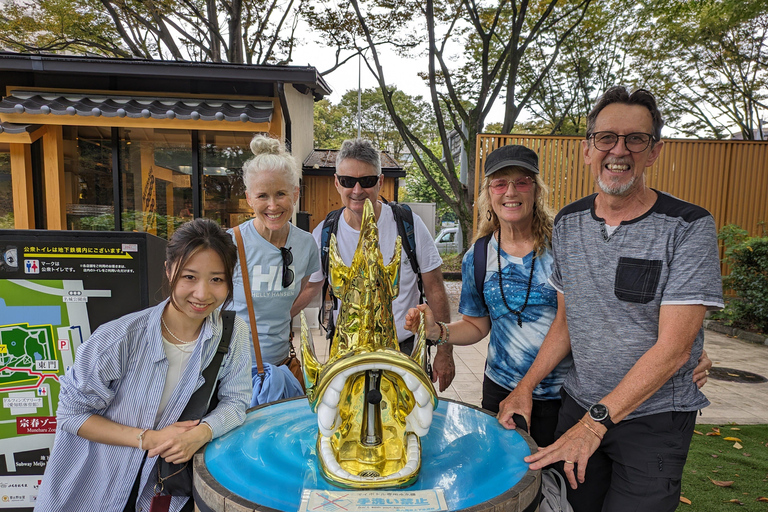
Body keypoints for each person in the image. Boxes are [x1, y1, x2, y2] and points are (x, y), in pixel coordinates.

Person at [499, 87, 724, 512]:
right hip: (579, 403)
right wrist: (524, 387)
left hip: (654, 419)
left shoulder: (688, 225)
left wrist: (595, 423)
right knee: (569, 507)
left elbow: (675, 349)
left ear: (654, 151)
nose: (619, 150)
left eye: (635, 139)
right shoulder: (568, 221)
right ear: (588, 149)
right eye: (606, 138)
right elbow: (567, 323)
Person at [35, 218, 252, 512]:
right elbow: (71, 414)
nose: (202, 294)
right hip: (98, 483)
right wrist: (149, 439)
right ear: (169, 269)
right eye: (189, 277)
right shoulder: (119, 338)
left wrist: (202, 432)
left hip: (164, 491)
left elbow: (236, 401)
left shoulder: (232, 331)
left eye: (217, 279)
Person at [405, 144, 569, 447]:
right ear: (488, 195)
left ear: (536, 191)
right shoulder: (478, 255)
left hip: (560, 395)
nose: (511, 192)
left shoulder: (563, 246)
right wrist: (437, 331)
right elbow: (477, 325)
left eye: (522, 182)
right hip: (500, 390)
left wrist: (528, 387)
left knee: (558, 485)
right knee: (507, 479)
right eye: (499, 183)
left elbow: (570, 323)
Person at [293, 138, 456, 391]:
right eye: (348, 181)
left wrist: (445, 353)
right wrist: (276, 318)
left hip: (402, 350)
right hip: (348, 353)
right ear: (337, 182)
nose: (357, 190)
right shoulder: (326, 232)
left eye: (367, 181)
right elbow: (311, 289)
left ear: (380, 181)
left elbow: (435, 288)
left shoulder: (408, 224)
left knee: (406, 426)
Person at [228, 135, 319, 397]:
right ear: (248, 199)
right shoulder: (229, 244)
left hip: (280, 370)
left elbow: (297, 296)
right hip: (234, 374)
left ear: (295, 193)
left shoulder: (305, 245)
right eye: (262, 196)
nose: (272, 205)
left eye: (281, 194)